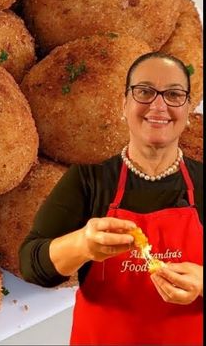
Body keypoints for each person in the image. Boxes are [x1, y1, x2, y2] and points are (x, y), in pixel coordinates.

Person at [19, 52, 203, 345]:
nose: (158, 105)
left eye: (173, 94)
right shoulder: (89, 178)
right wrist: (82, 244)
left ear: (188, 109)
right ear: (124, 104)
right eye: (144, 92)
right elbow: (31, 263)